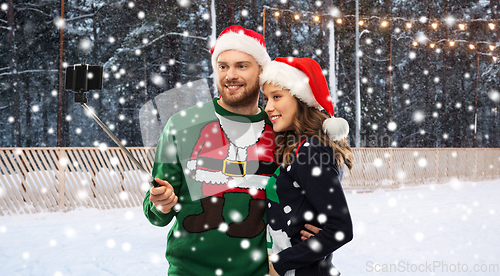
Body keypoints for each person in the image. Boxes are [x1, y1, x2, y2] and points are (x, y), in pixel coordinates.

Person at [143, 25, 313, 276]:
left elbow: (305, 197)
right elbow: (155, 213)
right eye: (223, 66)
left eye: (242, 66)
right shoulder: (182, 125)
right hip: (189, 271)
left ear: (262, 72)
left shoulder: (281, 130)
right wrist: (161, 203)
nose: (230, 75)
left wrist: (315, 224)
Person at [260, 57, 354, 276]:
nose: (268, 107)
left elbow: (340, 229)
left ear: (301, 99)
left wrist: (280, 263)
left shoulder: (310, 151)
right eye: (266, 99)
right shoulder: (297, 147)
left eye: (276, 97)